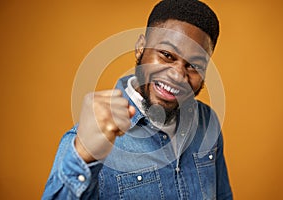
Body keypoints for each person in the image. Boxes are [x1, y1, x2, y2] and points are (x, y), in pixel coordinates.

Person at [42, 0, 233, 199]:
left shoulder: (207, 121)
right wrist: (83, 155)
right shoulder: (88, 140)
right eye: (167, 55)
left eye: (194, 66)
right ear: (141, 47)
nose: (177, 75)